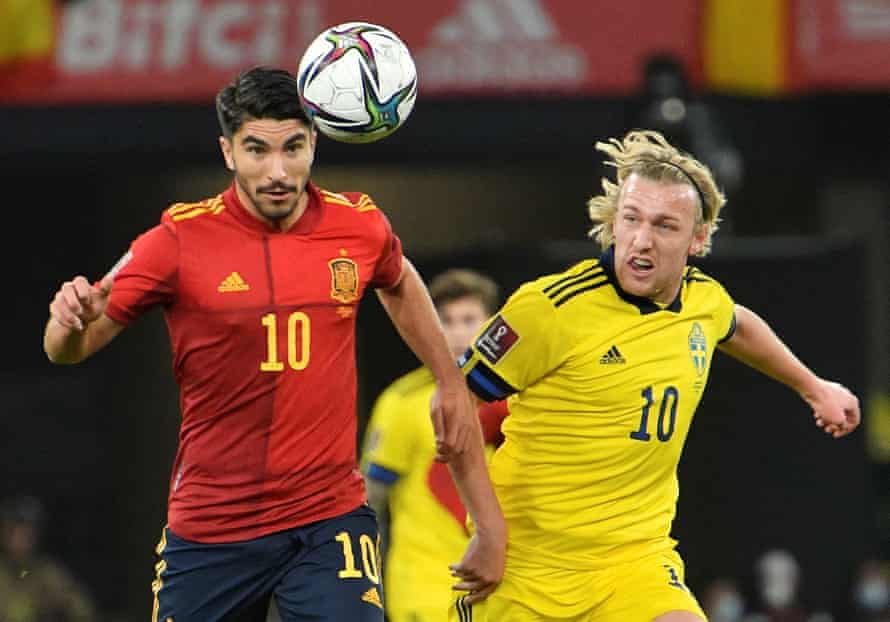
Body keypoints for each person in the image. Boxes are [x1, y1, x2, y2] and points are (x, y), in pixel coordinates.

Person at [43, 66, 504, 622]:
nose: (278, 171)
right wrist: (69, 322)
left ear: (315, 142)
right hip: (213, 529)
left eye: (294, 148)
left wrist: (449, 379)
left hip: (327, 517)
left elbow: (399, 278)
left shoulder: (357, 225)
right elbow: (66, 348)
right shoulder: (176, 241)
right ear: (228, 151)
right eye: (257, 150)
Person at [448, 129, 860, 622]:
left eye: (665, 226)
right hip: (526, 566)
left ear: (698, 238)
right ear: (615, 222)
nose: (642, 240)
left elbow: (737, 323)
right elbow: (452, 403)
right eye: (632, 219)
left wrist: (814, 387)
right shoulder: (548, 310)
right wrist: (490, 531)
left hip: (634, 562)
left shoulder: (702, 300)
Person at [362, 269, 508, 622]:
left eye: (469, 319)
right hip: (423, 592)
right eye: (446, 321)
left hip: (502, 590)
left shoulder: (519, 402)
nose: (458, 332)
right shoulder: (402, 402)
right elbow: (370, 503)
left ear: (493, 326)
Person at [0, 495, 96, 622]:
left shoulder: (48, 573)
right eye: (14, 532)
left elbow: (83, 610)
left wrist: (61, 603)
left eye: (27, 533)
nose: (20, 540)